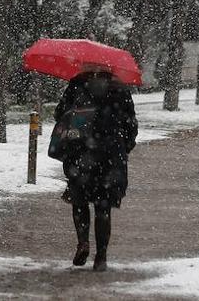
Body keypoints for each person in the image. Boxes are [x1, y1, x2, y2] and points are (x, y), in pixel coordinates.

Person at [52, 69, 138, 271]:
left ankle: (83, 242)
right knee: (103, 206)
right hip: (110, 155)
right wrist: (123, 146)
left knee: (80, 200)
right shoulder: (120, 88)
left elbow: (60, 114)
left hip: (81, 151)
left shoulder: (78, 84)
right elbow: (131, 125)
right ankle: (101, 256)